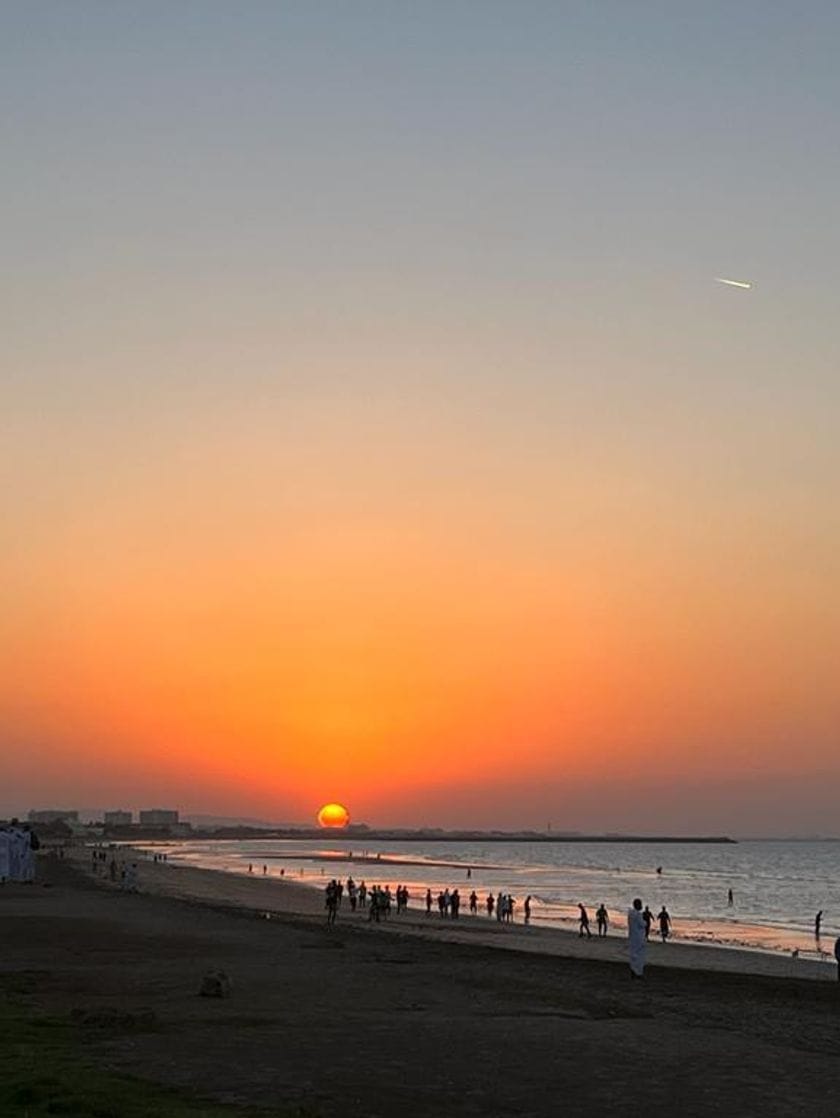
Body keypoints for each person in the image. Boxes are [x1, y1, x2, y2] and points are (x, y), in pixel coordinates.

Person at [627, 898, 647, 978]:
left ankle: (633, 970)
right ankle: (638, 972)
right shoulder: (638, 915)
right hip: (638, 937)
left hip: (632, 935)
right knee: (639, 955)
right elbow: (642, 924)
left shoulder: (631, 914)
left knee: (633, 953)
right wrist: (645, 921)